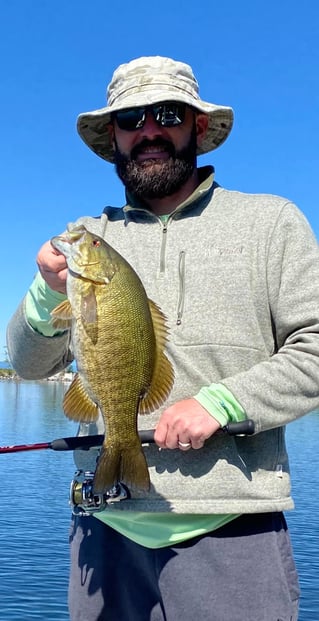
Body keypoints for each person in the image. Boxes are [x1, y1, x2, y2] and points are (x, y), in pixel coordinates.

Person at [7, 55, 319, 621]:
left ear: (198, 126)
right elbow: (28, 365)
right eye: (131, 118)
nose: (149, 131)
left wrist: (223, 403)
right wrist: (48, 294)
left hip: (233, 530)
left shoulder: (272, 223)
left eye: (167, 114)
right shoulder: (87, 238)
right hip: (103, 532)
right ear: (115, 137)